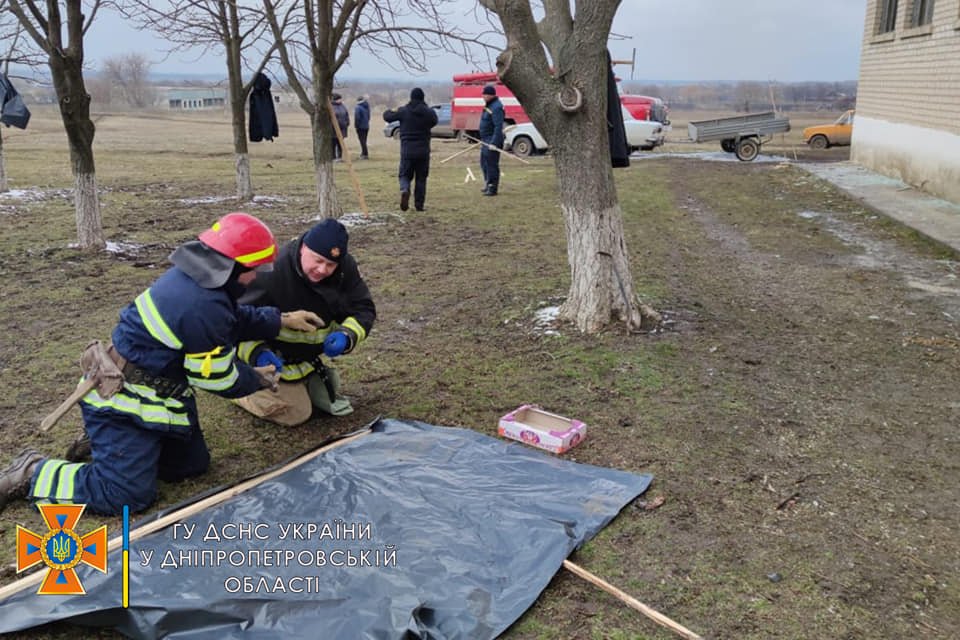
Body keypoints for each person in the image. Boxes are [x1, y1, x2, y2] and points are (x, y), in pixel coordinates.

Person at [0, 213, 322, 516]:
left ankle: (111, 449)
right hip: (123, 399)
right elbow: (216, 377)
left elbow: (229, 319)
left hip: (159, 393)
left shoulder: (201, 281)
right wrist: (256, 379)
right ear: (232, 266)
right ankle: (33, 471)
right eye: (254, 269)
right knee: (126, 495)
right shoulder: (201, 305)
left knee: (190, 467)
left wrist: (280, 320)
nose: (255, 278)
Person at [233, 218, 376, 425]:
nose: (322, 270)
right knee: (296, 413)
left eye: (330, 264)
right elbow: (236, 323)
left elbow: (363, 308)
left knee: (327, 396)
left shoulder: (345, 270)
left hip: (305, 359)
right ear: (303, 248)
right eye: (317, 260)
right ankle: (239, 391)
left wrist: (347, 336)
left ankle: (300, 384)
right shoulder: (271, 273)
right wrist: (257, 353)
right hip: (267, 359)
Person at [383, 87, 437, 212]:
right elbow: (434, 121)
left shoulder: (404, 111)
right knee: (421, 178)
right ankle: (419, 205)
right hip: (423, 151)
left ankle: (405, 189)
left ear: (411, 97)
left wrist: (391, 109)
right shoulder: (428, 112)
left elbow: (387, 116)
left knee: (404, 175)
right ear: (423, 98)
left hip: (407, 150)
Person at [478, 84, 505, 196]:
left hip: (492, 140)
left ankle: (492, 187)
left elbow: (498, 126)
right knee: (484, 163)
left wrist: (494, 142)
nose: (483, 97)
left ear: (490, 95)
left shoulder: (497, 107)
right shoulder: (489, 105)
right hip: (485, 140)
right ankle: (487, 183)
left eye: (485, 95)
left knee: (491, 165)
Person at [331, 93, 349, 161]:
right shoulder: (331, 106)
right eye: (339, 99)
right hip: (333, 129)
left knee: (340, 144)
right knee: (333, 144)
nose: (340, 100)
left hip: (342, 129)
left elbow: (346, 115)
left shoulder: (342, 106)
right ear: (335, 99)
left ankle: (339, 157)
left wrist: (347, 123)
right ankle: (333, 157)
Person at [354, 95, 371, 160]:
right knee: (364, 140)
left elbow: (357, 117)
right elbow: (369, 116)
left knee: (362, 141)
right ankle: (363, 153)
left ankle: (365, 154)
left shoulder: (358, 107)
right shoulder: (367, 106)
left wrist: (356, 125)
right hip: (366, 126)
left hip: (360, 127)